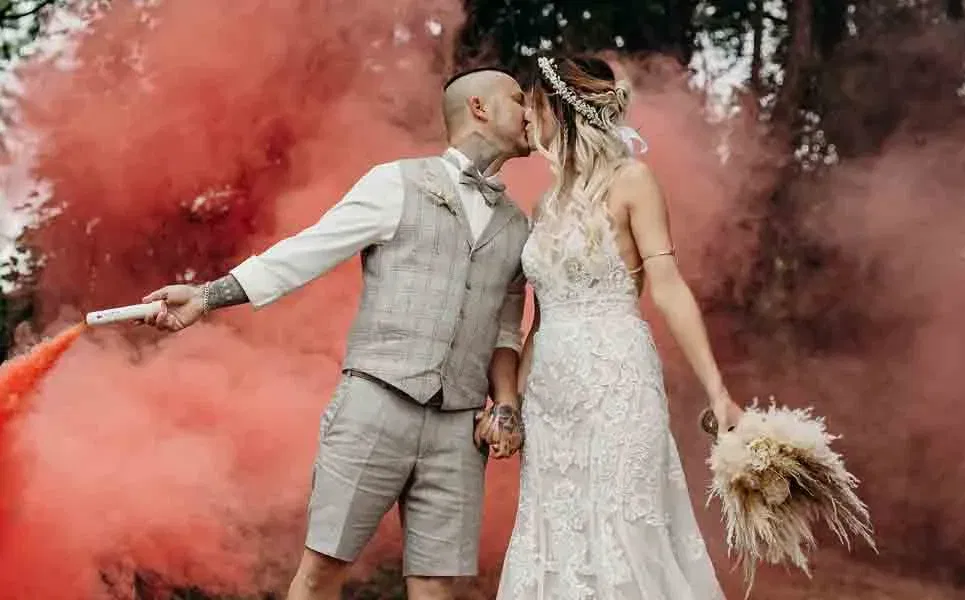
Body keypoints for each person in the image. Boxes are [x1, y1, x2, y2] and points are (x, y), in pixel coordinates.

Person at [140, 66, 533, 600]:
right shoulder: (396, 182)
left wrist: (505, 405)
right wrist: (206, 296)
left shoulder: (518, 224)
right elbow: (306, 251)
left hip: (460, 428)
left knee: (441, 589)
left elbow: (507, 328)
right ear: (480, 109)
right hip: (375, 404)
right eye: (519, 99)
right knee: (323, 572)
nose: (532, 112)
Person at [494, 54, 744, 599]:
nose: (526, 119)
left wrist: (718, 393)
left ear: (560, 108)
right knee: (555, 533)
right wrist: (510, 405)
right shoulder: (543, 204)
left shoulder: (633, 181)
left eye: (532, 105)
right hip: (551, 396)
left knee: (623, 527)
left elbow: (670, 287)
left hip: (617, 385)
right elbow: (539, 321)